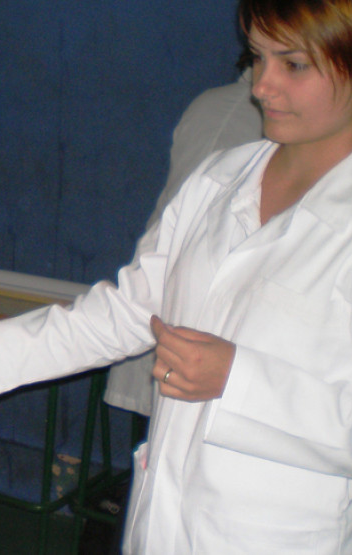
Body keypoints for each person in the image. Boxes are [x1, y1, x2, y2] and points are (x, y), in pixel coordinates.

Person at [0, 0, 352, 552]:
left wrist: (237, 380)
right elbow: (132, 311)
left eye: (293, 64)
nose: (263, 86)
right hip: (165, 526)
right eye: (257, 57)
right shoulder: (220, 180)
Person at [105, 69, 262, 417]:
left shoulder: (211, 104)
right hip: (183, 310)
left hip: (201, 326)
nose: (268, 86)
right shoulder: (242, 120)